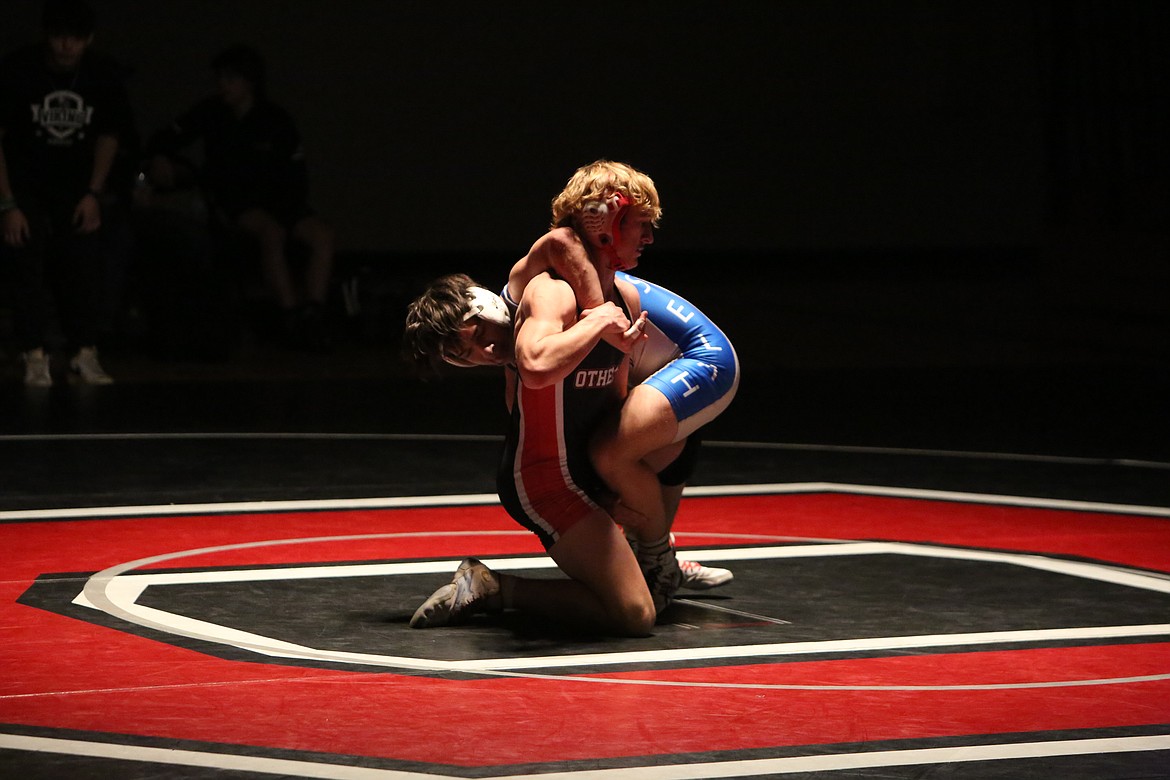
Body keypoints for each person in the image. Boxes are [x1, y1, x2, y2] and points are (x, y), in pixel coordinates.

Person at [406, 161, 738, 635]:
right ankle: (495, 587)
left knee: (658, 441)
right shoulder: (548, 292)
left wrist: (606, 487)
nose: (484, 351)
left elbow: (612, 397)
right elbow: (537, 368)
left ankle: (657, 555)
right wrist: (596, 319)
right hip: (546, 480)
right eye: (640, 226)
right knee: (636, 616)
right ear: (606, 224)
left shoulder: (624, 297)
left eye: (477, 336)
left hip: (575, 460)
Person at [146, 44, 334, 349]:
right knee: (271, 232)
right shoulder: (211, 113)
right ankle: (289, 314)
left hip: (281, 203)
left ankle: (313, 312)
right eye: (220, 79)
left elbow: (296, 173)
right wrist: (159, 156)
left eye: (230, 79)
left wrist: (291, 208)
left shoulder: (276, 119)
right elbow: (166, 136)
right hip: (236, 203)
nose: (222, 86)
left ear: (249, 82)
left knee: (322, 235)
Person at [0, 0, 134, 386]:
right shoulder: (18, 69)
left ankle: (83, 351)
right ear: (48, 37)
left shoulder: (102, 73)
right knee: (24, 256)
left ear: (88, 40)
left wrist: (94, 192)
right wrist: (8, 202)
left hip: (75, 183)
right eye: (59, 38)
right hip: (25, 179)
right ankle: (33, 353)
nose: (66, 47)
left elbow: (110, 134)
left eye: (75, 39)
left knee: (82, 262)